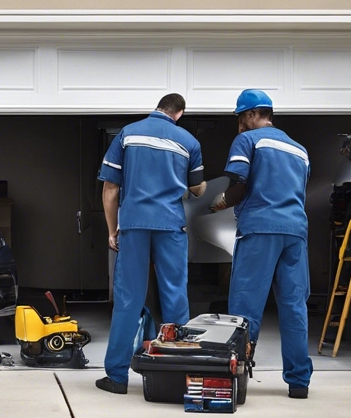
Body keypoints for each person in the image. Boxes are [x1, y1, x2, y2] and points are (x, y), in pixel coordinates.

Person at [95, 93, 205, 394]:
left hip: (134, 223)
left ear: (158, 107)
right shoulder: (188, 142)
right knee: (175, 298)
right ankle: (179, 376)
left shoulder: (128, 134)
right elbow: (197, 188)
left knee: (129, 299)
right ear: (179, 113)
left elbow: (109, 188)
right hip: (170, 224)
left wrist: (112, 229)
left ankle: (117, 378)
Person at [211, 89, 313, 399]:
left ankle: (237, 376)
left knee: (246, 307)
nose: (240, 124)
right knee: (294, 307)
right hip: (295, 231)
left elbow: (240, 184)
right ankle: (298, 383)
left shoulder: (248, 141)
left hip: (260, 229)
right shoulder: (300, 150)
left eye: (242, 117)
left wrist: (220, 202)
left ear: (253, 114)